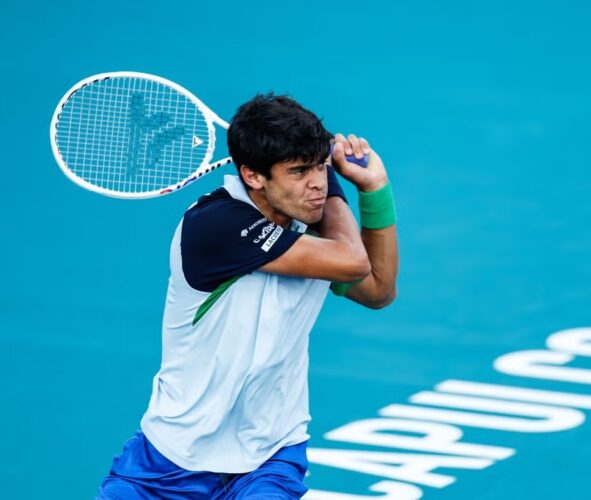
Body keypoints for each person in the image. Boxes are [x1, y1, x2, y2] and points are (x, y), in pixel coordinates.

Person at [96, 93, 399, 499]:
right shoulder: (215, 225)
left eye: (317, 167)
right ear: (253, 176)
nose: (315, 183)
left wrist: (376, 188)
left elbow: (378, 290)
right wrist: (335, 187)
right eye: (298, 171)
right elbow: (352, 261)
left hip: (269, 458)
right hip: (168, 464)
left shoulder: (308, 223)